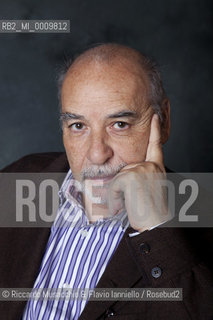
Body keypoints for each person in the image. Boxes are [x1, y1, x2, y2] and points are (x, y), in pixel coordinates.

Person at [0, 43, 212, 320]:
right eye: (78, 126)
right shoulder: (18, 179)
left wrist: (156, 229)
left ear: (165, 121)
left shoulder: (204, 219)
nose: (97, 154)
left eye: (120, 124)